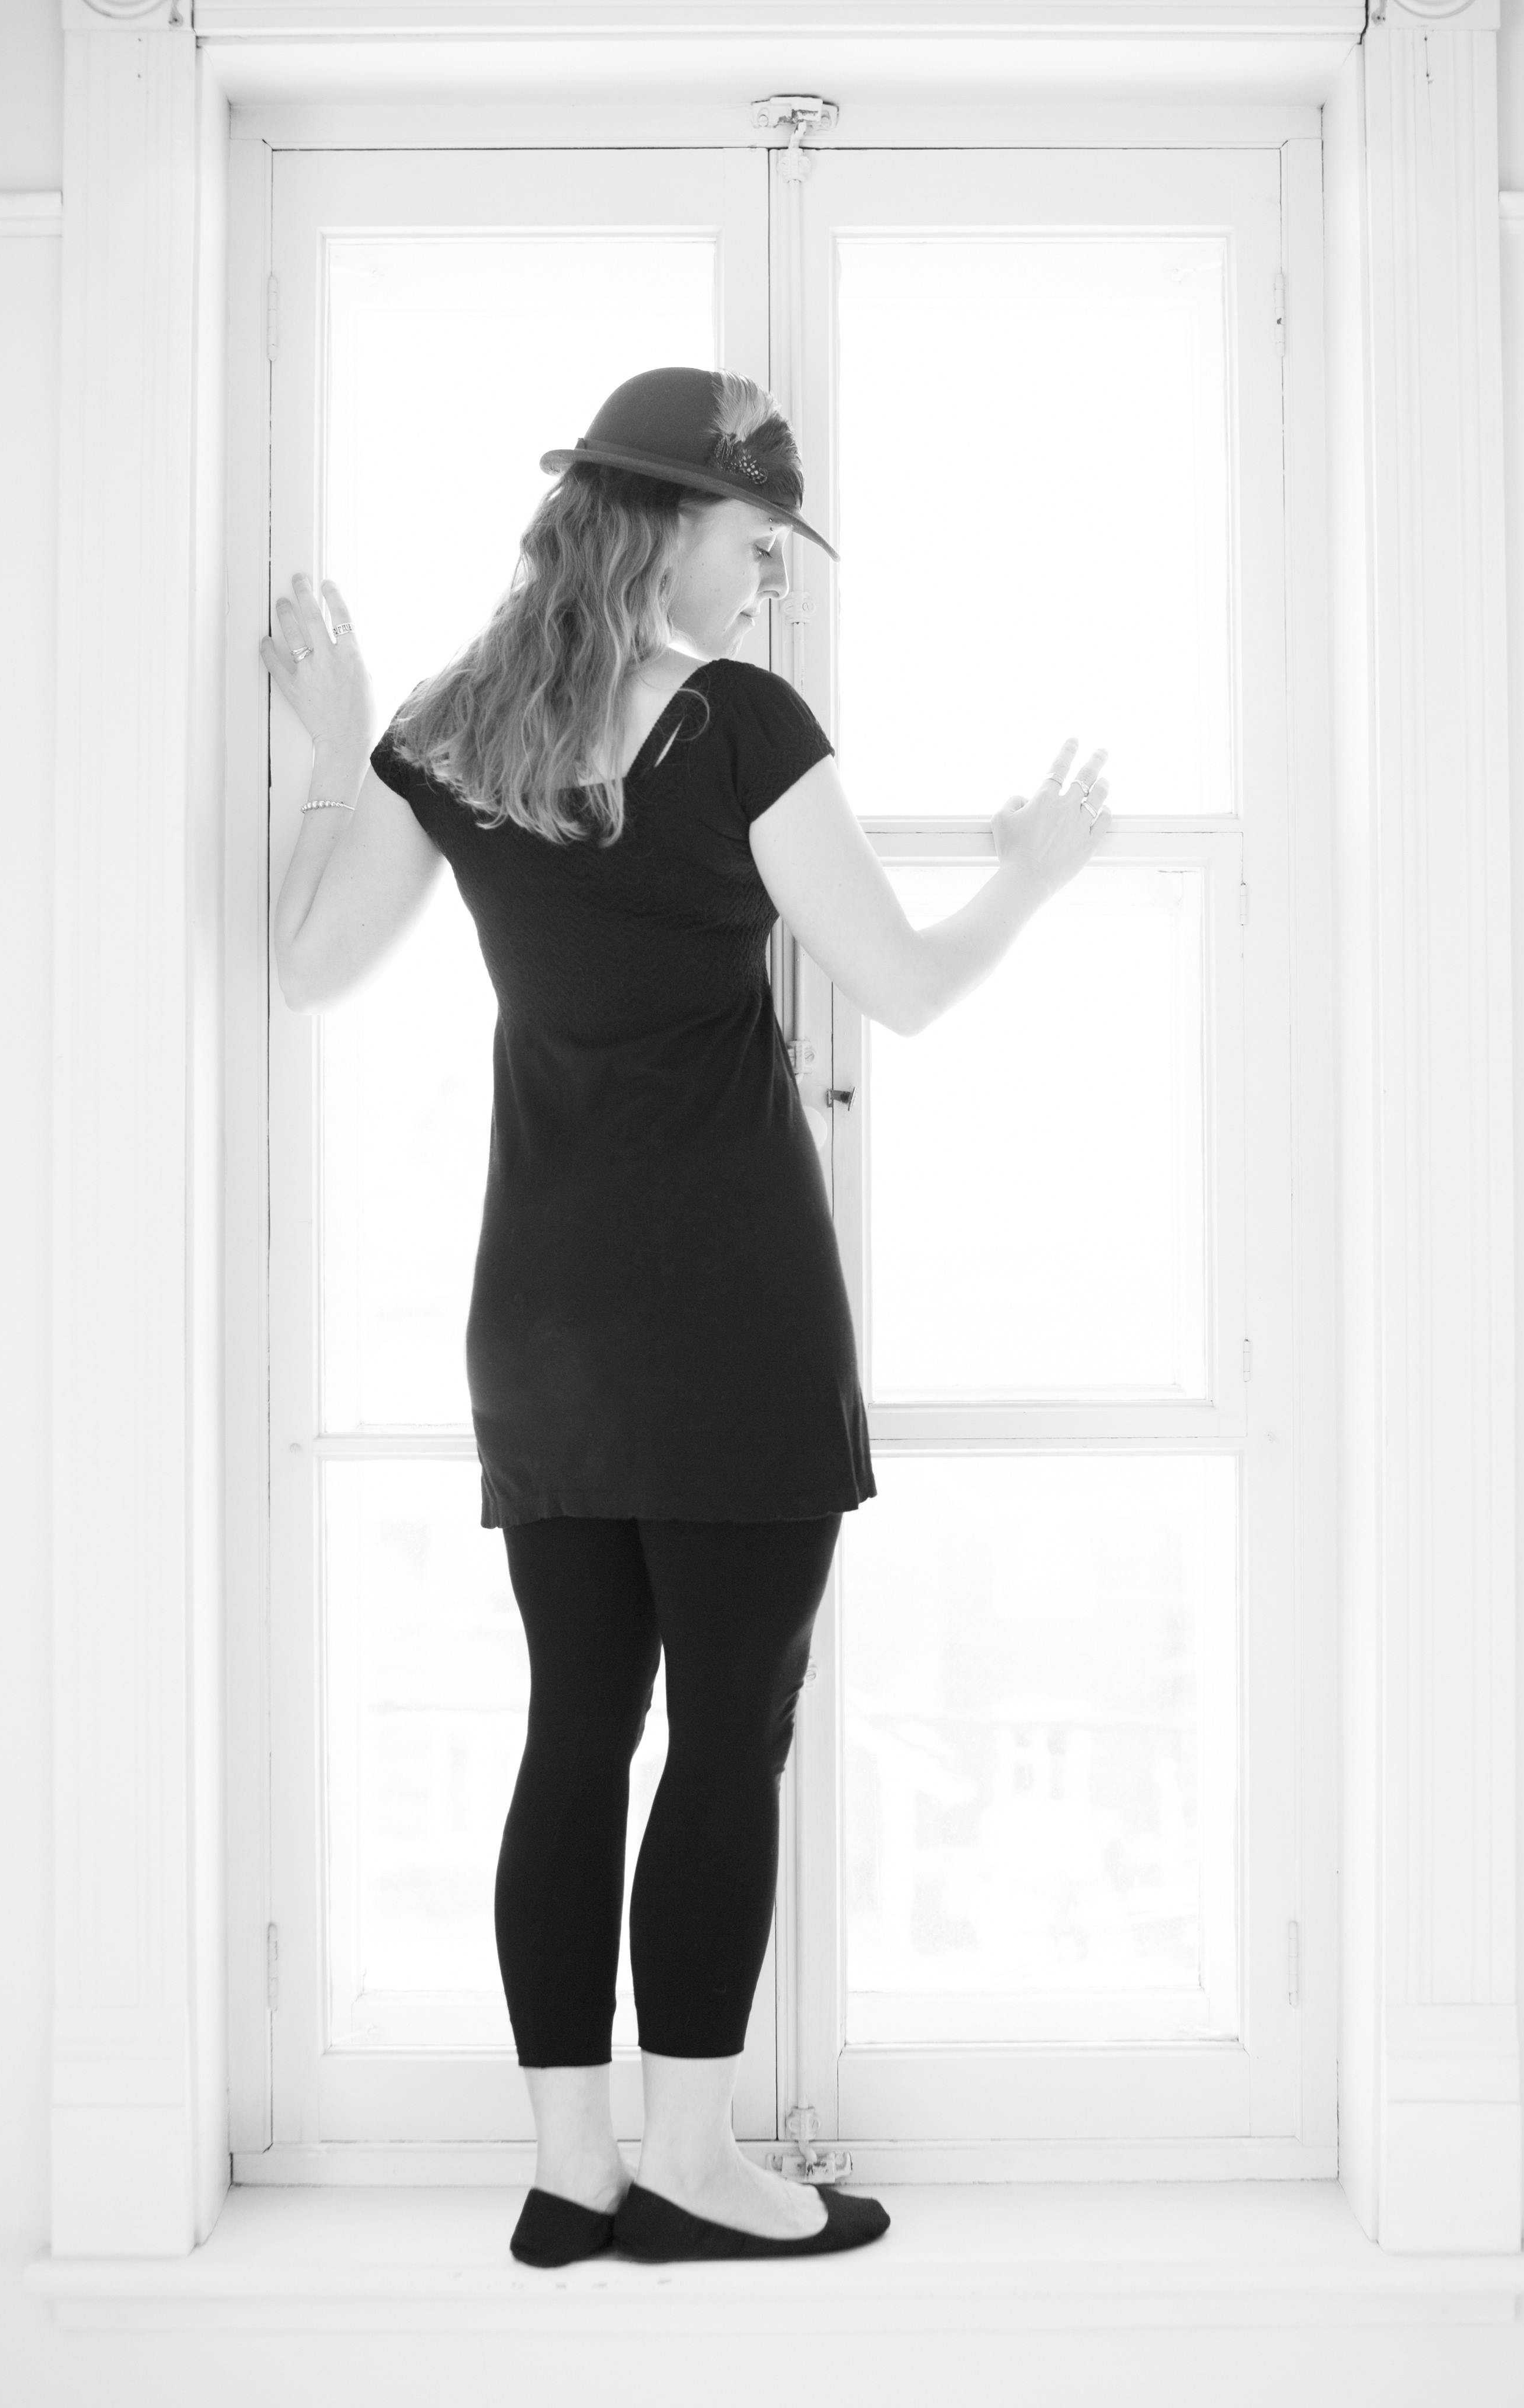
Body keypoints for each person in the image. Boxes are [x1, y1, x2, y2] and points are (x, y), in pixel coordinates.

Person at [262, 364, 1111, 2269]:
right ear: (664, 527)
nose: (765, 582)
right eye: (755, 542)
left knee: (575, 1727)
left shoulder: (447, 728)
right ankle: (697, 2166)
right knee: (729, 1732)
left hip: (543, 1312)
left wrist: (334, 749)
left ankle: (571, 2174)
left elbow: (308, 967)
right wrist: (1030, 877)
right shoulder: (739, 724)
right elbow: (901, 987)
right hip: (728, 1301)